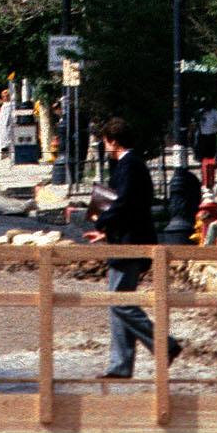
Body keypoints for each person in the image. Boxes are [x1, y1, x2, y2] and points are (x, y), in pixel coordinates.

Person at [84, 117, 179, 379]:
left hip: (130, 244)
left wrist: (101, 222)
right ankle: (120, 365)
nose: (105, 148)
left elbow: (123, 204)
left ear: (113, 140)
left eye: (105, 143)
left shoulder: (129, 166)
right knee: (118, 302)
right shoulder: (132, 165)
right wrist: (106, 232)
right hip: (126, 239)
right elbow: (130, 208)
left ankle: (163, 344)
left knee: (119, 302)